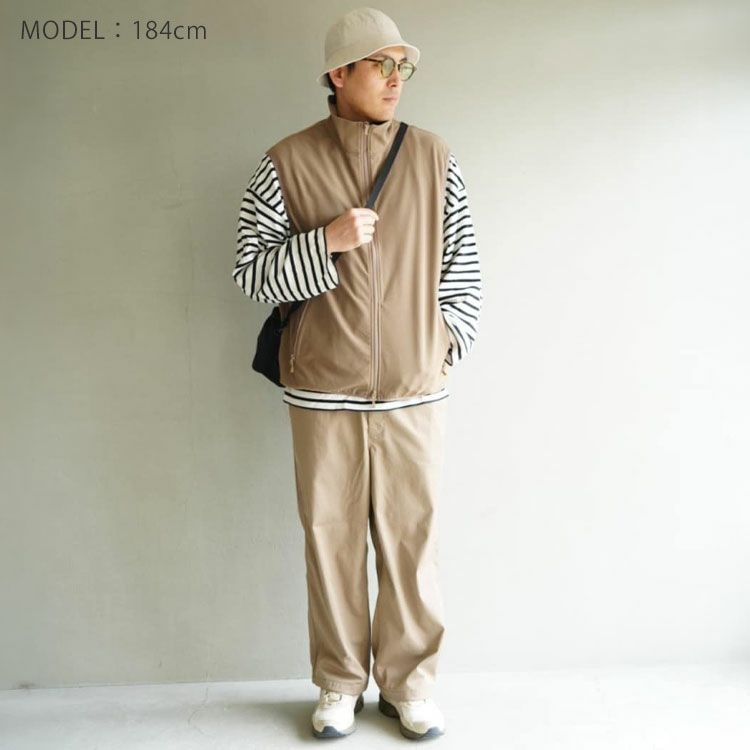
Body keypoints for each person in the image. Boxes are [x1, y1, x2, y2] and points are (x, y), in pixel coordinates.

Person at [232, 6, 482, 741]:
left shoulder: (434, 157)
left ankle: (410, 686)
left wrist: (442, 345)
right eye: (381, 65)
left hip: (413, 392)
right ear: (338, 73)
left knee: (412, 543)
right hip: (322, 391)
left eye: (404, 67)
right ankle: (339, 684)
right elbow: (250, 274)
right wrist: (327, 242)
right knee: (330, 539)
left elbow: (464, 267)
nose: (396, 80)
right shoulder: (285, 162)